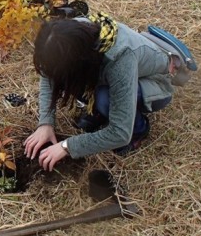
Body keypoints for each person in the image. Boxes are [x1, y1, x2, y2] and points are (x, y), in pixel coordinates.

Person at [23, 14, 184, 172]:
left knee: (104, 99)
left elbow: (120, 133)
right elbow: (49, 73)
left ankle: (139, 130)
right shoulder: (69, 35)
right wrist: (45, 123)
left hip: (156, 83)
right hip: (111, 74)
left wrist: (67, 146)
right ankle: (99, 112)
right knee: (71, 79)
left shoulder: (119, 57)